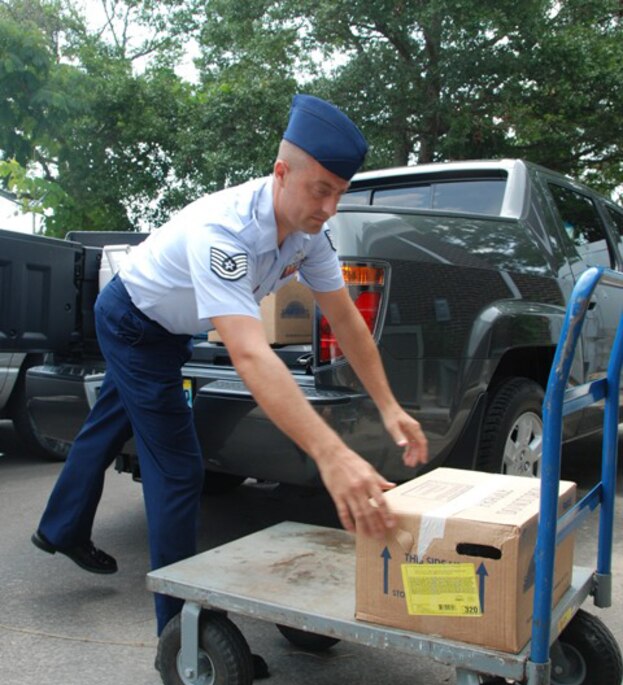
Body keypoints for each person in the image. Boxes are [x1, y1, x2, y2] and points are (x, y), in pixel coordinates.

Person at [32, 94, 428, 639]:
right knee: (178, 468)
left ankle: (59, 527)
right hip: (132, 321)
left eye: (340, 193)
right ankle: (181, 632)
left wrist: (389, 407)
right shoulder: (225, 231)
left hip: (167, 326)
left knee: (110, 422)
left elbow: (346, 320)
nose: (330, 208)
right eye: (321, 190)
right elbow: (248, 353)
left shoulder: (310, 234)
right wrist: (332, 454)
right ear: (281, 172)